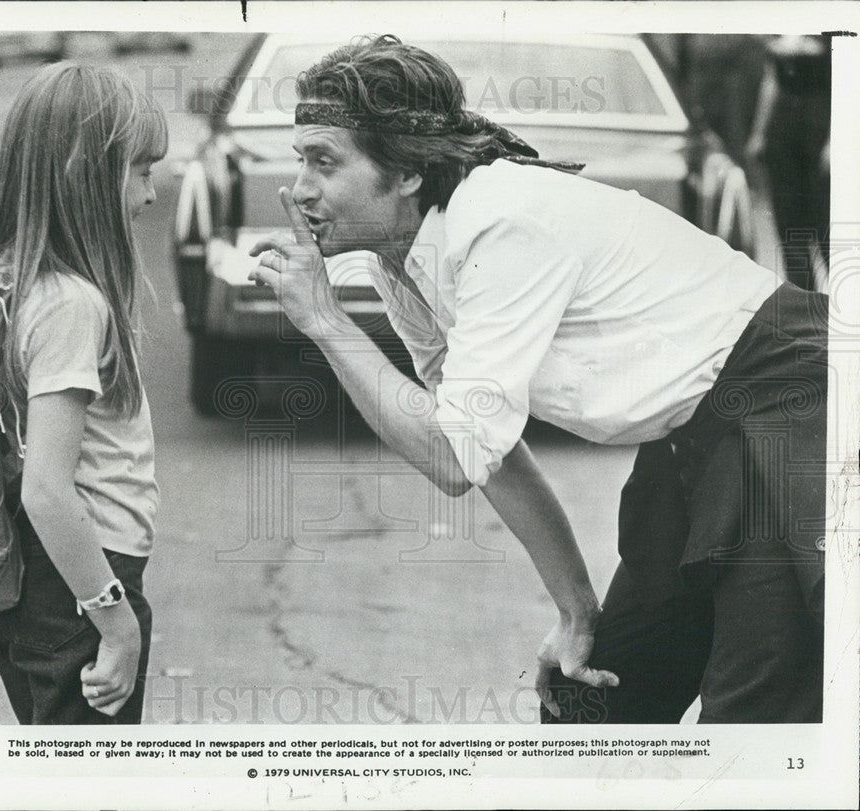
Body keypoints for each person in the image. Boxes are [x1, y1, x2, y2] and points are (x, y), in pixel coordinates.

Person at [249, 35, 827, 724]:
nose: (300, 188)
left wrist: (326, 321)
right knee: (594, 698)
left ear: (405, 171)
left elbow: (452, 456)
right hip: (695, 435)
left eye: (324, 161)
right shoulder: (400, 256)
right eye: (299, 160)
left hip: (793, 406)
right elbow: (481, 445)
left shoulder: (498, 224)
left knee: (754, 727)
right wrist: (576, 606)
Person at [0, 62, 166, 723]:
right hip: (82, 583)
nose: (151, 191)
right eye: (139, 169)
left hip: (45, 583)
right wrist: (116, 621)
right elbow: (48, 487)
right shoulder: (70, 305)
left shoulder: (13, 285)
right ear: (81, 174)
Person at [746, 35, 831, 292]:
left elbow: (846, 87)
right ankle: (804, 302)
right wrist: (759, 133)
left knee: (825, 223)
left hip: (819, 133)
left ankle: (847, 305)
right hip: (783, 136)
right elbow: (771, 83)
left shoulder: (833, 37)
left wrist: (834, 139)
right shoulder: (777, 41)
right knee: (789, 221)